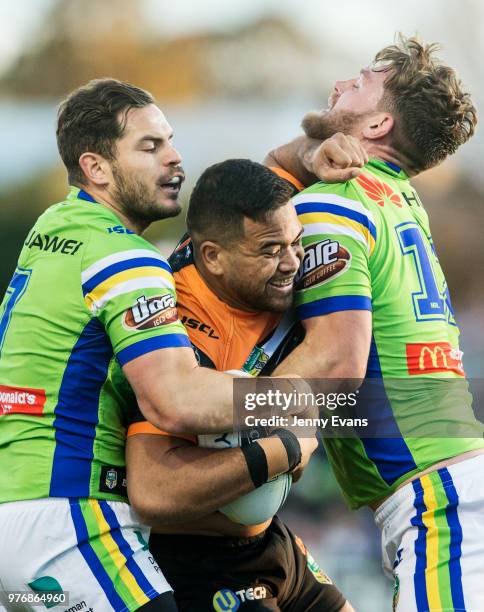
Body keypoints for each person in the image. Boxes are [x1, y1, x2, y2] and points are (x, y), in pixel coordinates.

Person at [0, 80, 316, 609]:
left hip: (20, 510)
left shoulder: (54, 226)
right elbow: (175, 399)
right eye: (150, 147)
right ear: (96, 167)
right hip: (71, 513)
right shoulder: (126, 258)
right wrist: (300, 410)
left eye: (169, 141)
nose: (175, 159)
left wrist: (302, 155)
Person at [268, 35, 483, 611]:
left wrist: (221, 407)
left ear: (379, 123)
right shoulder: (400, 200)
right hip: (449, 490)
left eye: (360, 82)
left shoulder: (333, 202)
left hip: (441, 506)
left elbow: (337, 369)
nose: (340, 84)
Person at [125, 158, 354, 612]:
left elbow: (277, 171)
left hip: (273, 541)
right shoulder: (170, 334)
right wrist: (287, 449)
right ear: (213, 256)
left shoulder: (258, 249)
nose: (292, 263)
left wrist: (322, 144)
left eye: (297, 243)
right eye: (271, 251)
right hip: (199, 561)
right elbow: (153, 491)